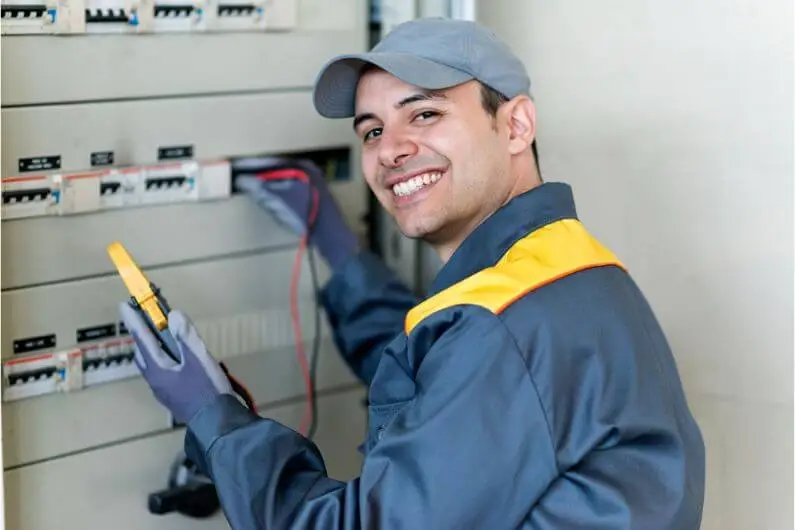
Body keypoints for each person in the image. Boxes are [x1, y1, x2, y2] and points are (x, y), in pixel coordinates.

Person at [119, 17, 706, 529]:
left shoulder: (503, 329)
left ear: (516, 125)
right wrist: (342, 254)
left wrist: (214, 419)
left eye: (424, 113)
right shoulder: (562, 266)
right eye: (372, 130)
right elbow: (436, 379)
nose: (390, 150)